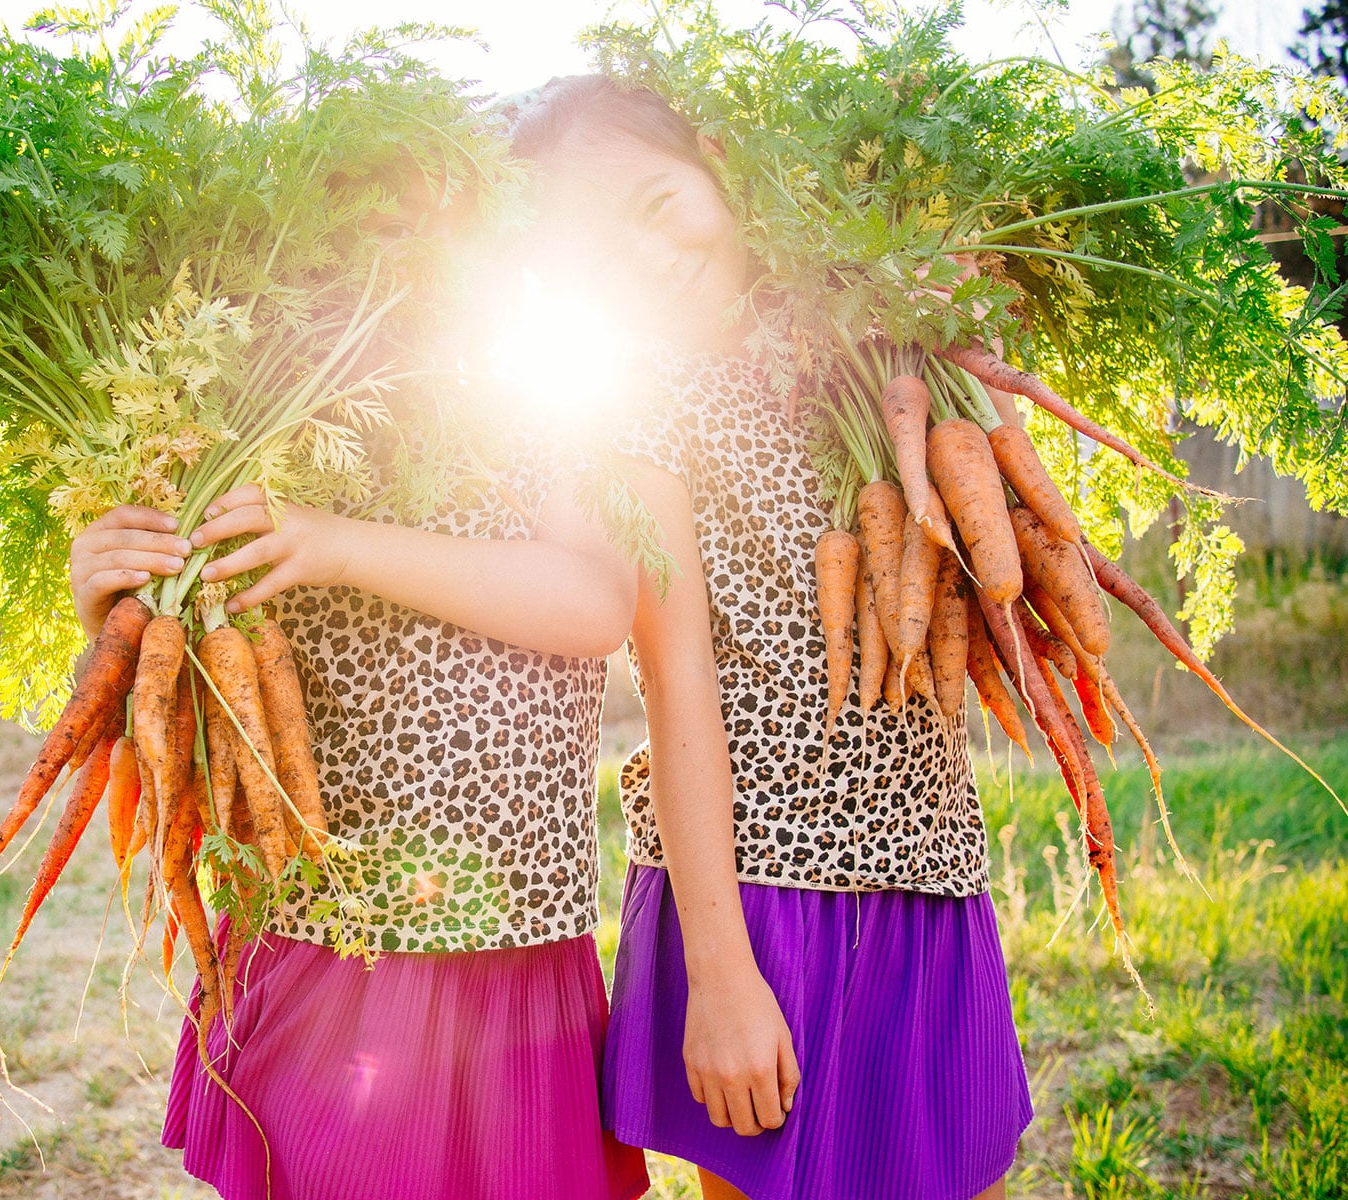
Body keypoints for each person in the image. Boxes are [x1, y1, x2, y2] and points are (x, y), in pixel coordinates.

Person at [68, 168, 650, 1200]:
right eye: (348, 245)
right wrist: (111, 603)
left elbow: (596, 604)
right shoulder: (246, 429)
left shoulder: (541, 404)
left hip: (503, 932)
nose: (388, 276)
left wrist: (340, 546)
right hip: (314, 929)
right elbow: (181, 691)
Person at [509, 75, 1032, 1200]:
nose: (642, 259)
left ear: (712, 158)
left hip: (923, 858)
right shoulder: (635, 411)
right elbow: (673, 678)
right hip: (759, 892)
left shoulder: (876, 341)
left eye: (653, 204)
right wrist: (722, 975)